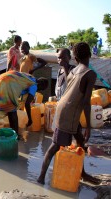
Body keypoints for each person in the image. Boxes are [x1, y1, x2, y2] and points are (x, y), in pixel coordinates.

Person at [37, 42, 101, 185]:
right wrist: (89, 127)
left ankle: (82, 173)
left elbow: (70, 86)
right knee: (54, 145)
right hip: (69, 113)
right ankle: (41, 178)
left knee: (79, 141)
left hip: (64, 108)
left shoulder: (74, 70)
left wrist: (65, 66)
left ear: (74, 57)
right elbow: (85, 102)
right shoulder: (90, 73)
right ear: (89, 55)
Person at [0, 70, 48, 139]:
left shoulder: (30, 78)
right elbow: (27, 104)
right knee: (13, 111)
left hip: (1, 78)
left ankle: (12, 133)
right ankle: (15, 135)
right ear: (40, 85)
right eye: (41, 89)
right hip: (8, 83)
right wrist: (30, 119)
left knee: (11, 110)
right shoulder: (34, 85)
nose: (39, 91)